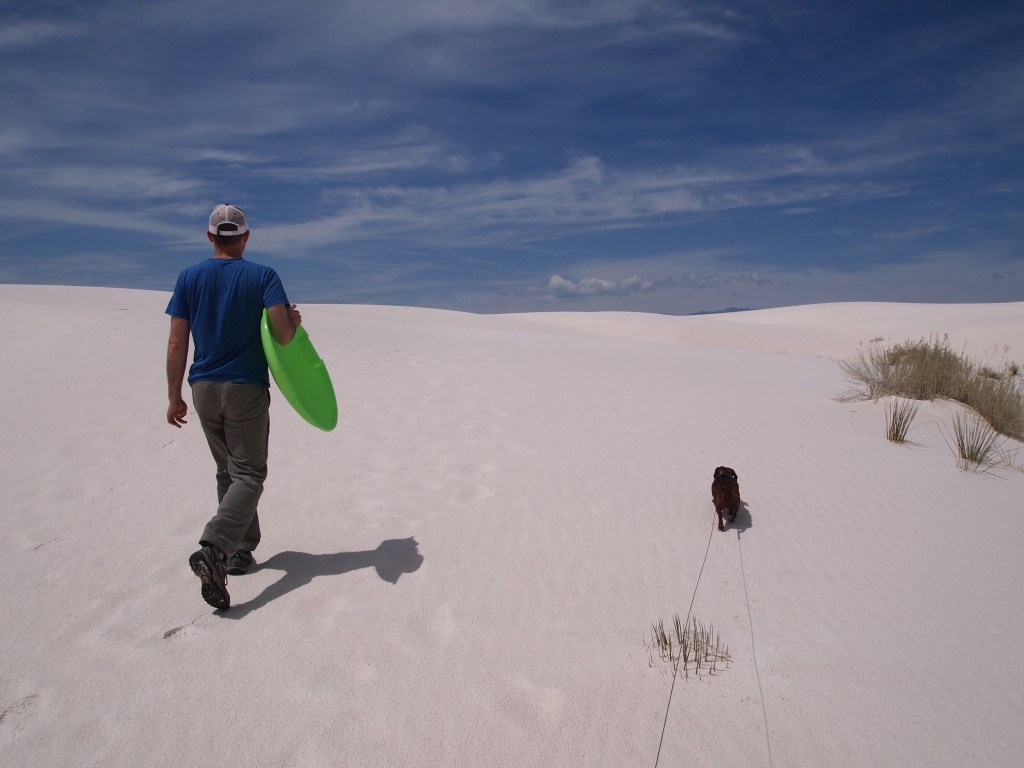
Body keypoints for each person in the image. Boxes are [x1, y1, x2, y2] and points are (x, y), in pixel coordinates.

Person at [165, 203, 302, 610]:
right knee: (250, 473)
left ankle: (240, 552)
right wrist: (293, 320)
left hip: (203, 387)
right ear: (245, 237)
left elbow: (177, 343)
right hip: (245, 387)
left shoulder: (188, 278)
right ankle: (215, 547)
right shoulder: (263, 275)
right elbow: (281, 335)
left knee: (229, 469)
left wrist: (174, 395)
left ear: (210, 237)